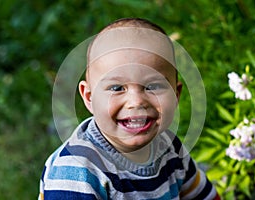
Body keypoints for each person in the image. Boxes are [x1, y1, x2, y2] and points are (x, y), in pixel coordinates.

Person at [39, 18, 220, 200]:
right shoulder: (77, 171)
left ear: (176, 94)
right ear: (89, 97)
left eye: (153, 86)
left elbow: (204, 196)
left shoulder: (170, 148)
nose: (136, 102)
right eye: (117, 88)